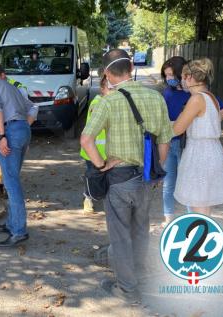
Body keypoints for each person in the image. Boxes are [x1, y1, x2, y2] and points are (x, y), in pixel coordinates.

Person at [80, 49, 172, 302]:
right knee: (141, 229)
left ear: (108, 73)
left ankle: (127, 289)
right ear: (131, 68)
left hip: (120, 179)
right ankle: (139, 276)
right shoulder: (157, 98)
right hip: (148, 177)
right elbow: (165, 140)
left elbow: (86, 139)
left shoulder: (109, 101)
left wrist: (100, 165)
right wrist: (155, 168)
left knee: (120, 235)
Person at [160, 56, 223, 225]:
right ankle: (203, 244)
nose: (181, 82)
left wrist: (157, 128)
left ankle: (199, 245)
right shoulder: (209, 96)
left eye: (183, 77)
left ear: (189, 78)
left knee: (198, 207)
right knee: (204, 209)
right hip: (210, 151)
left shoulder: (196, 99)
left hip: (200, 154)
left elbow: (177, 129)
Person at [0, 64, 38, 247]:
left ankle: (19, 231)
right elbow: (33, 108)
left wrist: (2, 135)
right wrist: (23, 131)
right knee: (11, 178)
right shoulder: (13, 87)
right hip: (22, 130)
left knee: (11, 183)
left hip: (10, 132)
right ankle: (12, 224)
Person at [79, 75, 110, 213]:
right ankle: (88, 198)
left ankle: (107, 200)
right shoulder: (97, 103)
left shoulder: (111, 102)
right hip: (94, 152)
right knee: (93, 177)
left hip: (108, 152)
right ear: (102, 89)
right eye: (110, 88)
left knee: (108, 178)